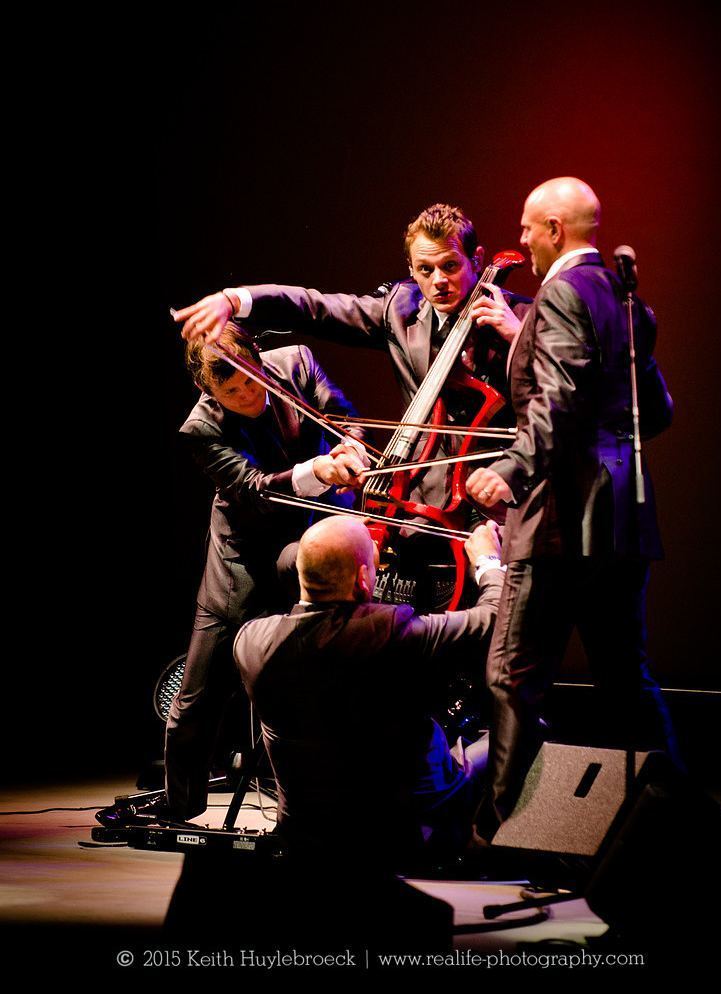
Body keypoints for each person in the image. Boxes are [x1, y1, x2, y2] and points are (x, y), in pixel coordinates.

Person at [465, 177, 680, 837]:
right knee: (623, 678)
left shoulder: (559, 292)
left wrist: (509, 468)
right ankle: (675, 822)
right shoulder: (623, 297)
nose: (521, 238)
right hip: (619, 518)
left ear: (555, 229)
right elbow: (658, 412)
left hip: (559, 518)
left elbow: (554, 398)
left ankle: (505, 833)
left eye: (528, 227)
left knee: (511, 676)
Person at [101, 324, 368, 825]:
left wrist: (349, 447)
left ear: (257, 357)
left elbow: (344, 418)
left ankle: (334, 797)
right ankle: (179, 803)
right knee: (199, 697)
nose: (250, 394)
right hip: (243, 558)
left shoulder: (297, 363)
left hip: (306, 540)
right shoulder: (199, 428)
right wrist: (318, 469)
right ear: (208, 390)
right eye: (232, 391)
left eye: (251, 379)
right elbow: (254, 489)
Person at [172, 204, 533, 516]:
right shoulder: (400, 312)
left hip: (500, 493)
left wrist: (518, 337)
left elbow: (568, 401)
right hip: (421, 497)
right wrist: (235, 301)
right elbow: (315, 309)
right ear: (410, 268)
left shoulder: (522, 316)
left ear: (477, 259)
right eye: (425, 269)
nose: (438, 281)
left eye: (450, 266)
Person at [233, 515, 505, 869]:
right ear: (363, 578)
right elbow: (494, 617)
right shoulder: (392, 632)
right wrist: (487, 560)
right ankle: (472, 841)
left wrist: (340, 545)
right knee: (524, 732)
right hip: (394, 837)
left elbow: (293, 567)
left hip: (303, 836)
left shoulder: (251, 642)